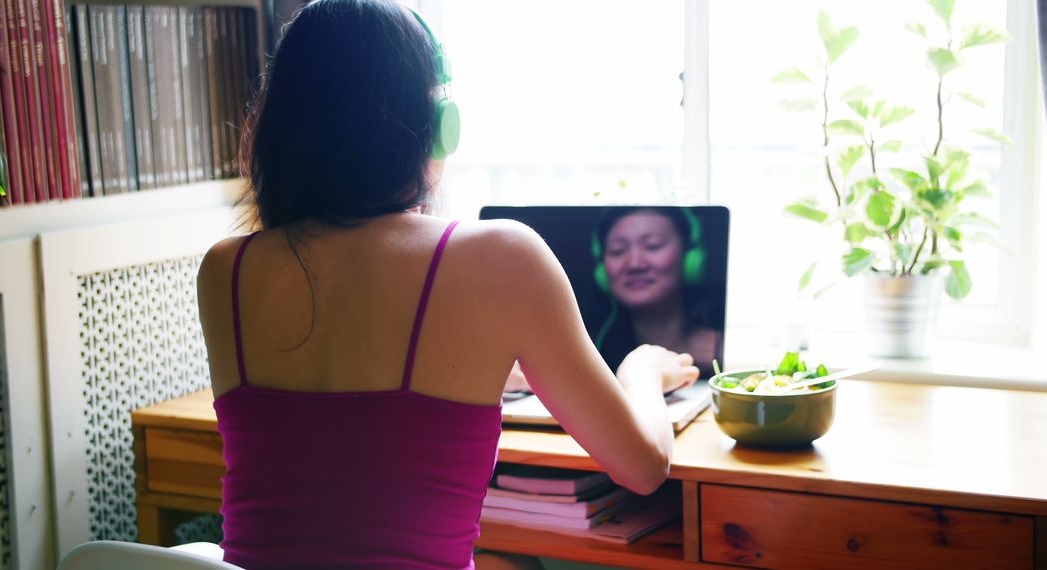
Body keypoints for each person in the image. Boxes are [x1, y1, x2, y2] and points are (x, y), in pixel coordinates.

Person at [195, 1, 699, 568]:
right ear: (436, 127)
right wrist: (642, 371)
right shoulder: (503, 256)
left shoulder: (224, 272)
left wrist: (497, 371)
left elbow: (336, 418)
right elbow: (642, 466)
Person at [589, 207, 724, 379]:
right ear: (602, 270)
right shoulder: (589, 359)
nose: (635, 264)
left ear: (690, 258)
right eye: (618, 251)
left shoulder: (725, 351)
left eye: (653, 246)